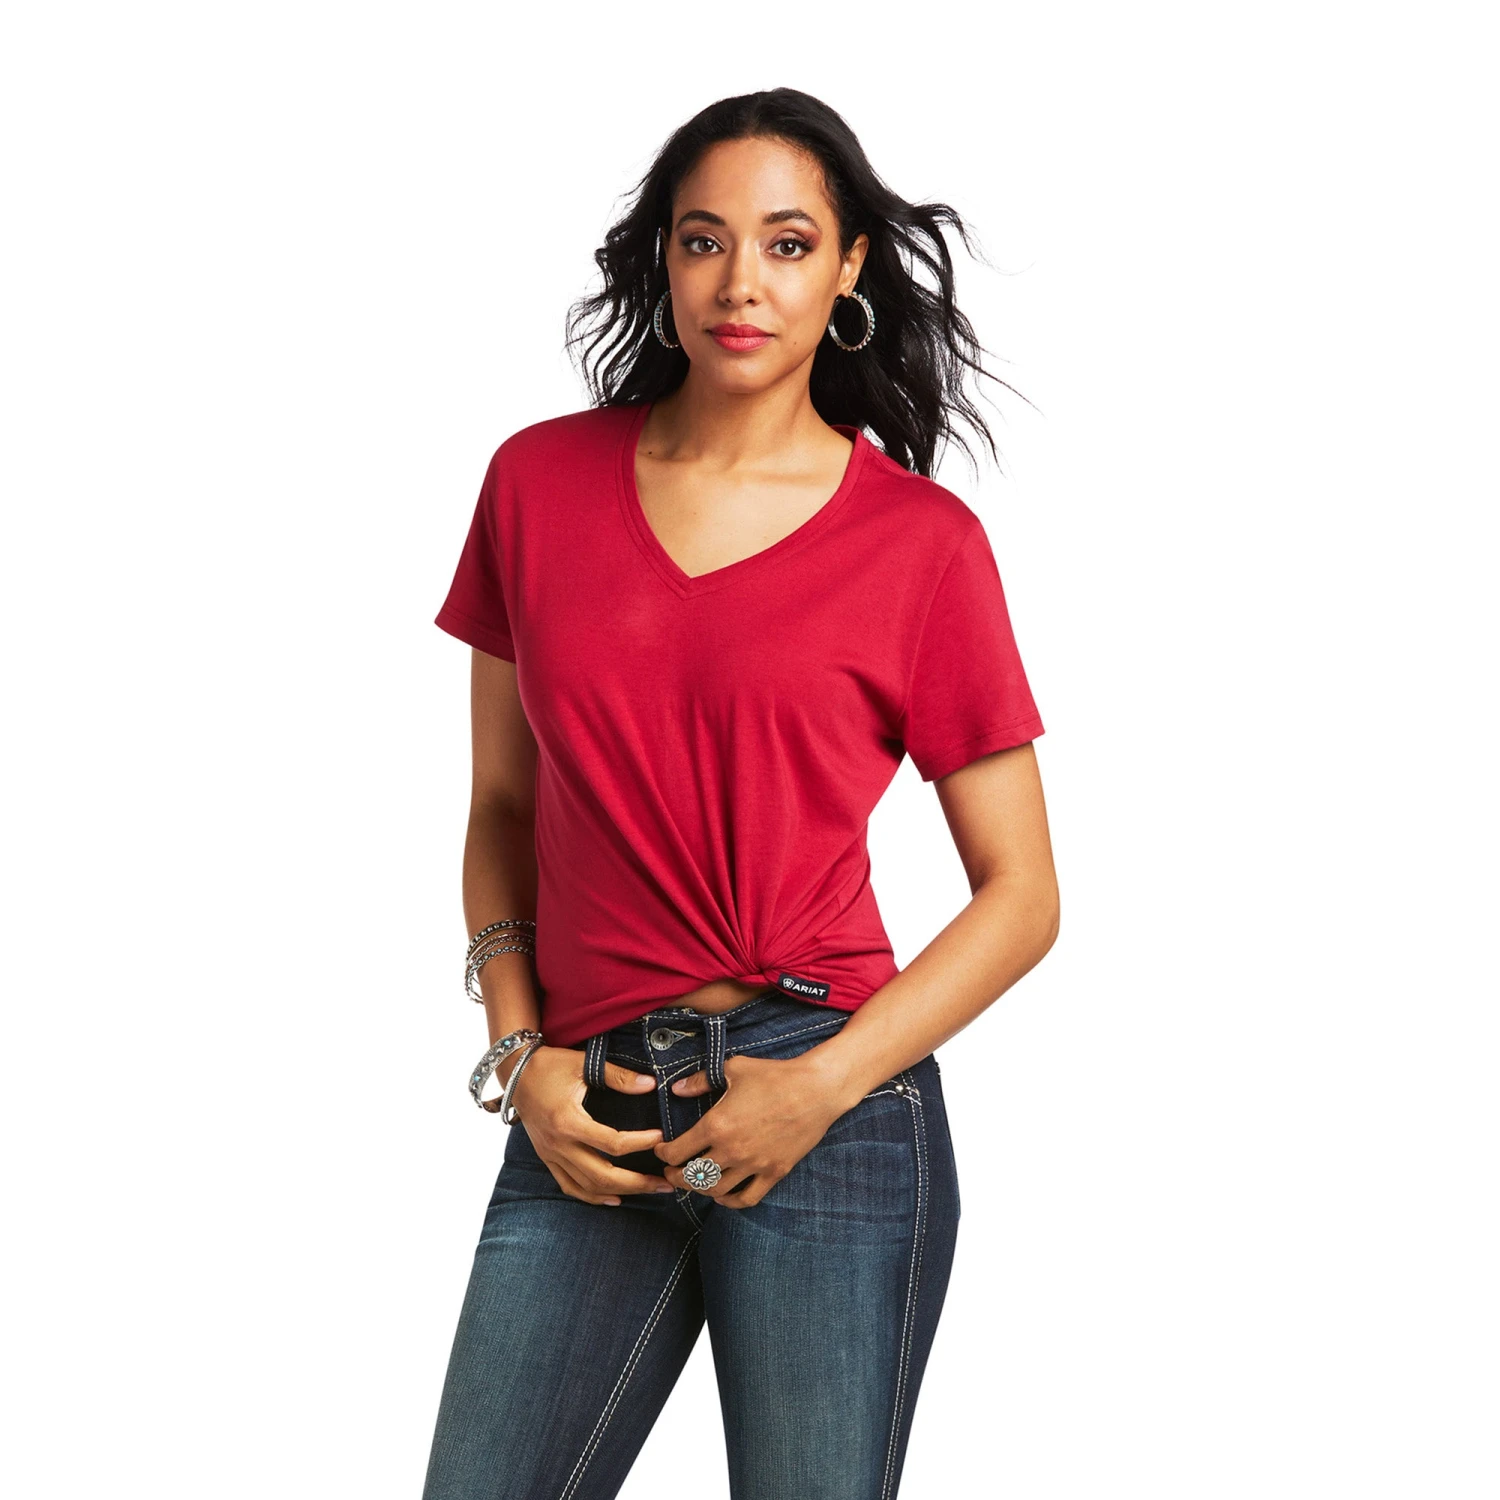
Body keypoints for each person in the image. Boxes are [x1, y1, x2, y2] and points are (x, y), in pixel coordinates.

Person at [421, 87, 1059, 1500]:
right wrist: (521, 1060)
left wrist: (818, 1090)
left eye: (786, 243)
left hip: (828, 1099)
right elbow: (503, 812)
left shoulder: (923, 546)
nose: (739, 283)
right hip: (588, 1098)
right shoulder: (536, 485)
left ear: (848, 270)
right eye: (703, 240)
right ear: (662, 258)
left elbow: (1023, 897)